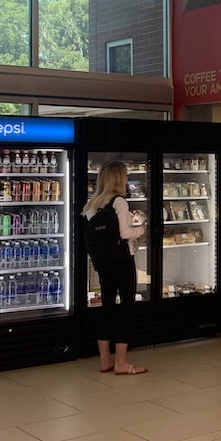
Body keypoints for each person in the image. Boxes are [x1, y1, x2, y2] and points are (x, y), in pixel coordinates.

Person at [82, 159, 147, 375]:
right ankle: (121, 363)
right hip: (122, 260)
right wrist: (141, 229)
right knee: (126, 308)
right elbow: (125, 233)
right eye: (125, 175)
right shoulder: (120, 202)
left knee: (107, 306)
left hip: (102, 262)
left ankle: (105, 360)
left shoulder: (92, 205)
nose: (127, 179)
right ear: (119, 179)